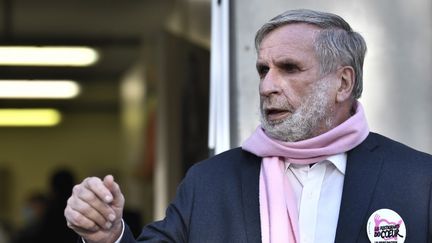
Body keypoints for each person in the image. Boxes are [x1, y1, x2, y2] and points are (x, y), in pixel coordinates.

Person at [64, 9, 432, 243]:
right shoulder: (209, 183)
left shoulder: (418, 181)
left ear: (343, 83)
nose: (267, 86)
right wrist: (109, 236)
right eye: (263, 70)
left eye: (289, 68)